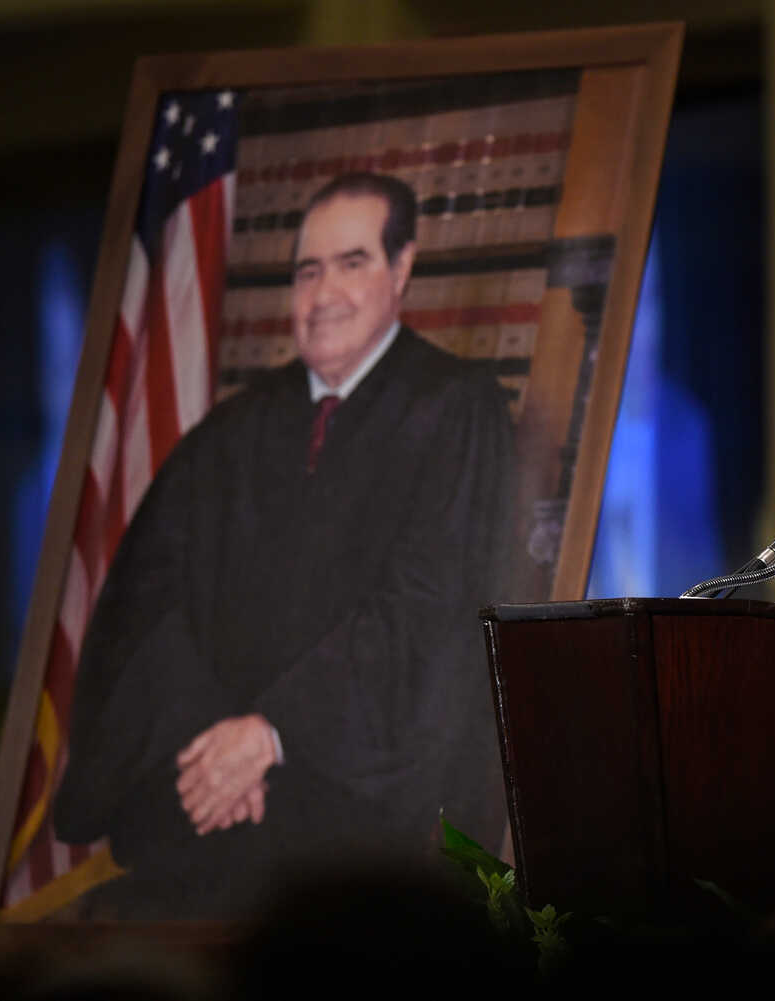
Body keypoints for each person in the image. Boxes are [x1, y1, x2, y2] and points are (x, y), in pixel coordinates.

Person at [53, 172, 517, 918]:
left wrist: (272, 734)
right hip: (207, 802)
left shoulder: (455, 410)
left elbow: (431, 613)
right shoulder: (233, 432)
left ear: (402, 269)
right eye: (307, 269)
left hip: (360, 826)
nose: (323, 290)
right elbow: (147, 608)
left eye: (352, 261)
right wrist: (211, 745)